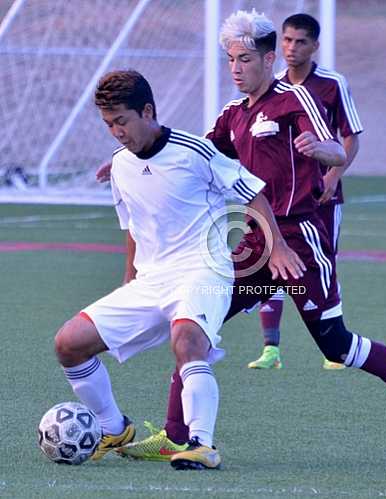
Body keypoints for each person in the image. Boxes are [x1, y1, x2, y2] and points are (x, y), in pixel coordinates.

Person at [117, 10, 386, 465]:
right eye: (230, 60)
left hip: (300, 240)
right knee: (195, 318)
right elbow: (192, 154)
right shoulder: (232, 116)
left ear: (269, 58)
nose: (236, 68)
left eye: (244, 59)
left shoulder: (294, 101)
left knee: (335, 344)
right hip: (258, 242)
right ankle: (177, 436)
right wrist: (135, 156)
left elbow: (338, 148)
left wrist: (322, 150)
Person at [54, 69, 305, 470]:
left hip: (202, 271)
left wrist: (276, 248)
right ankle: (113, 427)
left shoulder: (194, 151)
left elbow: (252, 191)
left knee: (187, 341)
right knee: (68, 343)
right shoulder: (120, 165)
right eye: (108, 124)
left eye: (122, 120)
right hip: (152, 280)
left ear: (148, 111)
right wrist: (128, 278)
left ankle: (201, 443)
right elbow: (133, 224)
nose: (116, 131)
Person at [249, 13, 363, 371]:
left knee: (323, 263)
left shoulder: (331, 84)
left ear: (315, 46)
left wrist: (332, 176)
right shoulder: (274, 87)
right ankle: (271, 347)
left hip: (323, 194)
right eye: (286, 40)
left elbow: (350, 137)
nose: (291, 48)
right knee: (269, 260)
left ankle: (334, 347)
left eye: (300, 41)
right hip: (280, 199)